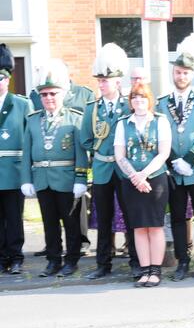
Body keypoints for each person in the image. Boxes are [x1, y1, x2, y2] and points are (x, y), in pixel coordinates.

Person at [21, 59, 89, 277]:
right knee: (49, 224)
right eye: (44, 94)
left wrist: (80, 179)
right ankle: (53, 260)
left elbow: (81, 153)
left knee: (70, 223)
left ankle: (71, 260)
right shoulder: (33, 120)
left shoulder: (74, 118)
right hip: (42, 178)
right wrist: (26, 179)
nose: (48, 98)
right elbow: (26, 152)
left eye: (53, 93)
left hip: (66, 178)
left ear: (62, 94)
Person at [156, 33, 194, 281]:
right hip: (173, 172)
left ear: (193, 74)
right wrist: (173, 161)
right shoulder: (161, 103)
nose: (181, 76)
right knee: (178, 218)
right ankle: (182, 261)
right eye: (178, 72)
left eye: (186, 73)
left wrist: (188, 160)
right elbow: (159, 135)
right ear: (173, 73)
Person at [82, 43, 141, 280]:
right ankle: (103, 263)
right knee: (103, 218)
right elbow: (86, 139)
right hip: (102, 168)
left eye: (105, 80)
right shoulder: (92, 108)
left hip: (125, 169)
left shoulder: (129, 105)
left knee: (131, 215)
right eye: (99, 80)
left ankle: (136, 261)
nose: (101, 84)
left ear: (117, 82)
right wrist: (99, 152)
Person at [114, 82, 171, 287]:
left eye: (143, 97)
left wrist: (144, 174)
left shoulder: (160, 121)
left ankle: (155, 271)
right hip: (131, 181)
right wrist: (135, 177)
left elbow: (163, 153)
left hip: (155, 180)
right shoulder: (123, 124)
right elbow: (120, 155)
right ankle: (144, 270)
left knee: (154, 226)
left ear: (149, 100)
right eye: (135, 97)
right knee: (138, 227)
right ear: (130, 101)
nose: (139, 101)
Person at [0, 44, 32, 275]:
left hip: (13, 171)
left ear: (8, 79)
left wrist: (28, 174)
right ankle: (1, 258)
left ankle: (16, 256)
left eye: (1, 78)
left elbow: (30, 140)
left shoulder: (21, 104)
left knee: (13, 217)